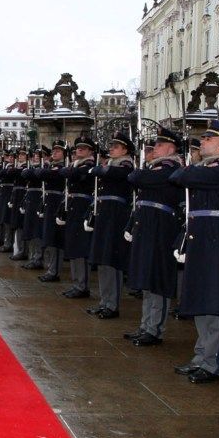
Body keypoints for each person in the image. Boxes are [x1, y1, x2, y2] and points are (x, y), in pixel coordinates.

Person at [169, 120, 219, 384]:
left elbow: (184, 176)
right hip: (202, 234)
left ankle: (213, 363)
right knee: (202, 298)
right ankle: (201, 355)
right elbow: (177, 177)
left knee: (215, 300)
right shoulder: (207, 166)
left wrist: (187, 169)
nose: (201, 143)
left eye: (207, 140)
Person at [124, 127, 183, 346]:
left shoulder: (171, 167)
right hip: (147, 225)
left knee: (157, 278)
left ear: (171, 148)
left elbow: (138, 177)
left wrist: (143, 171)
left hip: (161, 227)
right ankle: (145, 324)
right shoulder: (156, 167)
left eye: (158, 145)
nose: (154, 149)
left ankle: (155, 328)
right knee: (147, 278)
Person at [86, 132, 135, 319]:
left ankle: (112, 304)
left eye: (116, 146)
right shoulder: (110, 163)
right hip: (105, 214)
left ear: (125, 150)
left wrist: (99, 169)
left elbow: (113, 173)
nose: (111, 149)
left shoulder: (125, 164)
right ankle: (104, 301)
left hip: (116, 216)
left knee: (111, 259)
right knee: (102, 259)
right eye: (111, 146)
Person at [59, 136, 96, 298]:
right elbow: (66, 173)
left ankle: (83, 285)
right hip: (73, 208)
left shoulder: (89, 165)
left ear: (90, 151)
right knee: (73, 245)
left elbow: (73, 174)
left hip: (82, 208)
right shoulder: (76, 165)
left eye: (83, 148)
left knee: (81, 248)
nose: (79, 150)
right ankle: (76, 283)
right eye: (77, 148)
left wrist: (70, 171)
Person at [35, 141, 67, 282]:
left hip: (56, 203)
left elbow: (44, 174)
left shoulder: (62, 167)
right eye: (53, 151)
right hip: (49, 203)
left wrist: (45, 170)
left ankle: (54, 271)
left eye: (58, 151)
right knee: (48, 237)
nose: (54, 153)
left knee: (55, 239)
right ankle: (50, 268)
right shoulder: (52, 166)